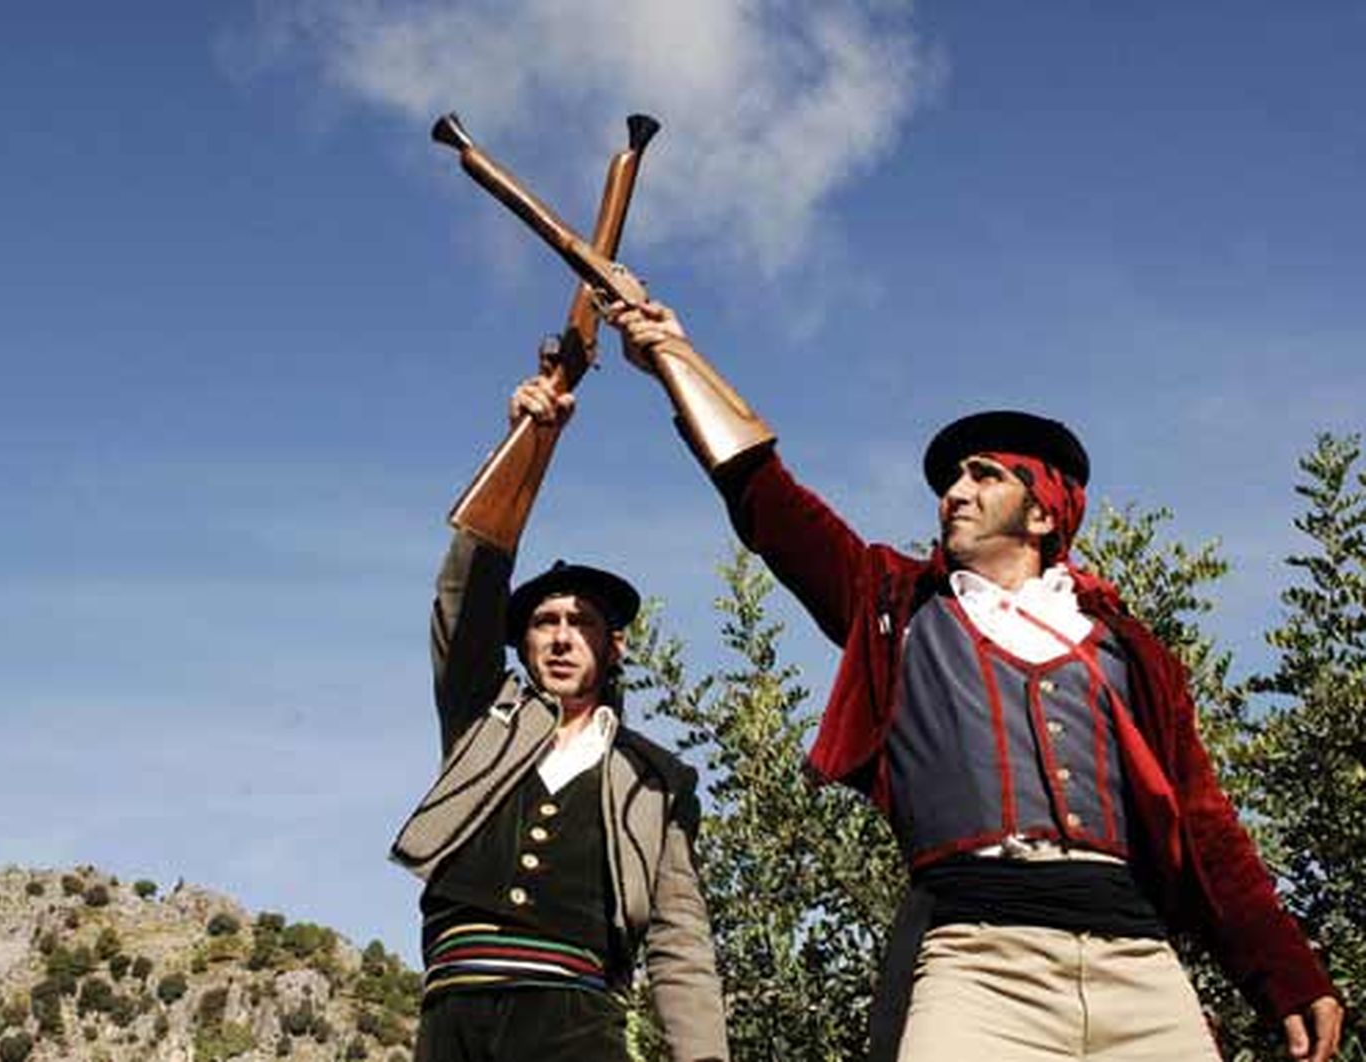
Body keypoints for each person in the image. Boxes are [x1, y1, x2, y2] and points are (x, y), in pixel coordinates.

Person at [605, 298, 1344, 1062]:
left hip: (1140, 970)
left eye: (984, 475)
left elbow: (1204, 823)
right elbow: (768, 498)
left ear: (1044, 512)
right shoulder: (894, 603)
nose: (954, 490)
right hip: (980, 965)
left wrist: (1286, 972)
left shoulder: (1129, 650)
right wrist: (676, 362)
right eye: (954, 478)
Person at [390, 374, 728, 1062]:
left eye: (583, 622)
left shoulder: (656, 778)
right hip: (453, 1008)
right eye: (545, 621)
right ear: (522, 642)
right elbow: (466, 592)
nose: (563, 636)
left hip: (575, 1017)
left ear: (614, 644)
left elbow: (679, 939)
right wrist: (525, 448)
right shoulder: (482, 719)